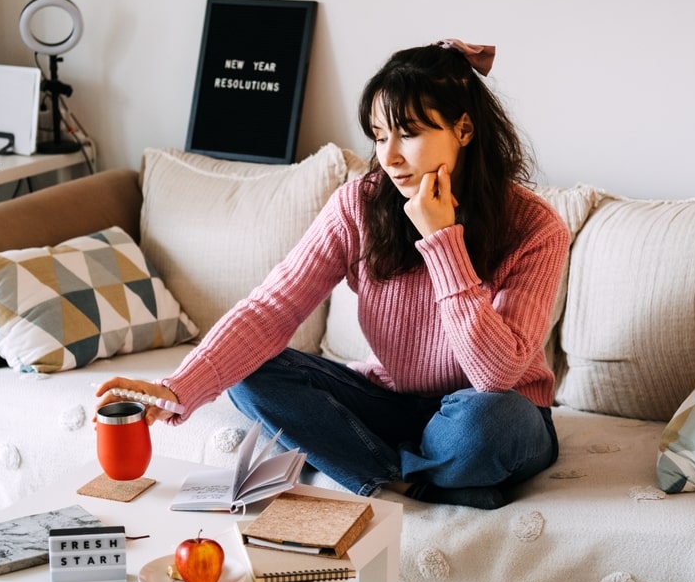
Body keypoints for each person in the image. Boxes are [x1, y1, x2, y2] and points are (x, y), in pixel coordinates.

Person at [96, 39, 570, 509]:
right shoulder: (359, 206)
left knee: (487, 426)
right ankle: (410, 481)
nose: (390, 157)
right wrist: (175, 388)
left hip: (491, 409)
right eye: (380, 137)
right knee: (249, 371)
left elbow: (495, 374)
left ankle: (395, 469)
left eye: (408, 133)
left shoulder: (535, 228)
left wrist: (443, 242)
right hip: (393, 403)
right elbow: (272, 307)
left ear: (463, 129)